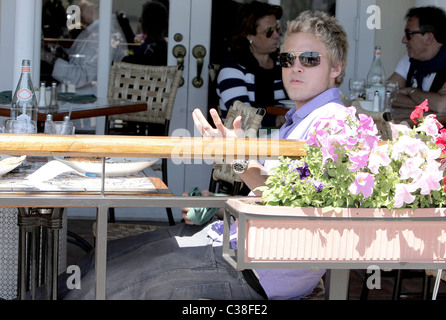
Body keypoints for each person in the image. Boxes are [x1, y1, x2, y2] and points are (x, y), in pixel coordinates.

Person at [60, 10, 348, 300]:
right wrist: (218, 206)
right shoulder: (298, 120)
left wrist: (236, 157)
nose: (295, 67)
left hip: (257, 268)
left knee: (105, 283)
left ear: (336, 67)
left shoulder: (332, 123)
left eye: (309, 59)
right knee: (104, 258)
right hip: (234, 242)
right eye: (288, 58)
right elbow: (266, 196)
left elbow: (295, 206)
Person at [216, 1, 287, 127]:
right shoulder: (233, 68)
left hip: (283, 136)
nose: (276, 35)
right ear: (249, 35)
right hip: (241, 141)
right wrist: (275, 120)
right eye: (269, 32)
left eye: (277, 29)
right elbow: (241, 118)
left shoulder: (283, 63)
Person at [41, 0, 128, 94]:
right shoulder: (96, 30)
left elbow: (82, 78)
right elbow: (79, 61)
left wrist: (50, 59)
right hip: (76, 96)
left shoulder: (102, 33)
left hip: (83, 101)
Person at [388, 6, 446, 113]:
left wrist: (410, 91)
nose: (404, 40)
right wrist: (431, 99)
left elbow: (441, 106)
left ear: (429, 38)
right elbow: (385, 95)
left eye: (409, 34)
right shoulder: (409, 59)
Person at [122, 1, 168, 66]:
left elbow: (135, 57)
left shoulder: (148, 50)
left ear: (144, 26)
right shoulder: (167, 50)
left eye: (141, 20)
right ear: (165, 25)